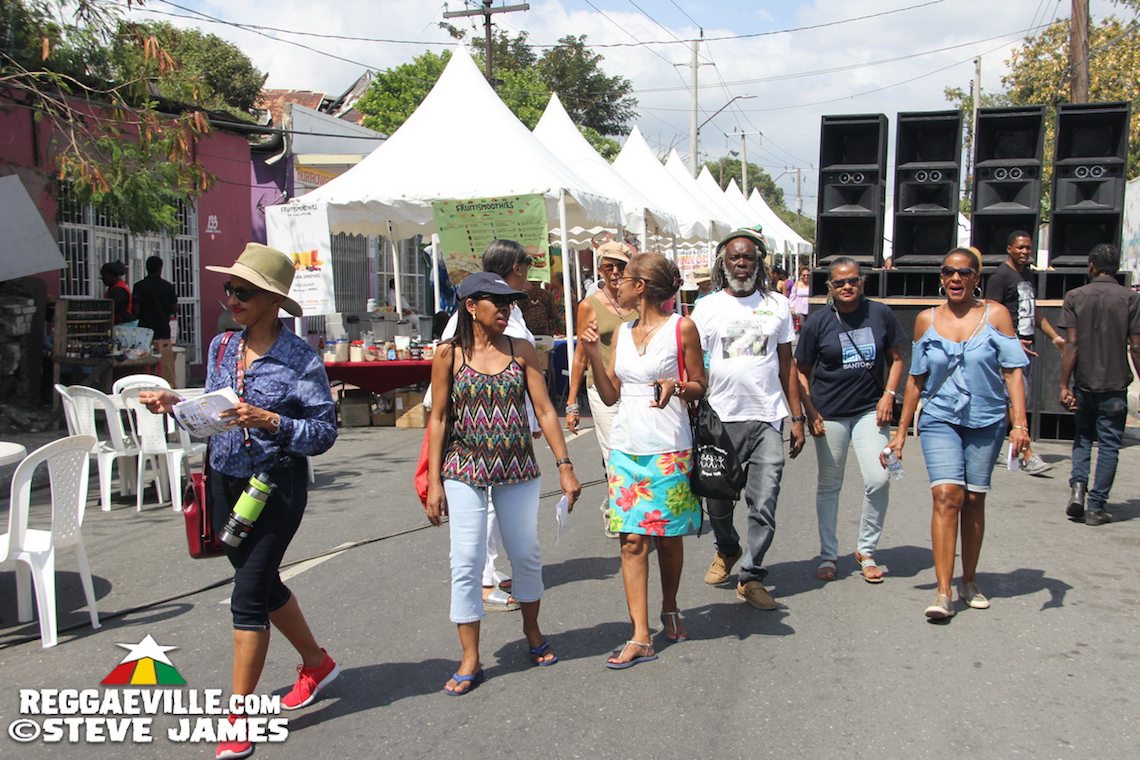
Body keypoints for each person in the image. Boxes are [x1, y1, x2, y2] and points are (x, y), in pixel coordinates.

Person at [139, 243, 339, 759]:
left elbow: (322, 432)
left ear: (273, 300)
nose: (232, 298)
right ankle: (315, 662)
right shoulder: (223, 346)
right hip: (224, 481)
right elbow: (213, 406)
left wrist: (270, 420)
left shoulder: (300, 359)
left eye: (243, 291)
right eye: (229, 289)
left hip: (275, 487)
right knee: (264, 585)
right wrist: (175, 402)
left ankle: (238, 716)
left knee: (246, 597)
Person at [425, 271, 581, 695]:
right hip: (463, 469)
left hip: (518, 468)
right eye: (498, 302)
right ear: (471, 306)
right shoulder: (448, 356)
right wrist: (435, 482)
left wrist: (564, 464)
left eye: (509, 302)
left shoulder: (521, 349)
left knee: (526, 554)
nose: (507, 309)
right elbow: (438, 418)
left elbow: (545, 410)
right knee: (466, 559)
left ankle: (532, 631)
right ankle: (471, 656)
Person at [886, 247, 1029, 620]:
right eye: (949, 272)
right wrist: (901, 432)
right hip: (939, 418)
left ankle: (970, 579)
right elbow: (916, 380)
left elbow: (1013, 372)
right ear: (941, 277)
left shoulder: (996, 315)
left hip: (987, 419)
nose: (955, 279)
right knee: (947, 496)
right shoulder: (925, 321)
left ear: (976, 278)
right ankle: (943, 591)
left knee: (974, 500)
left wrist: (1020, 424)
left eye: (964, 273)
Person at [581, 253, 706, 668]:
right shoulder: (621, 332)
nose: (615, 282)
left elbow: (701, 385)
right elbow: (611, 394)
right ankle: (640, 634)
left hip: (669, 447)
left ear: (642, 286)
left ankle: (669, 605)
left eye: (625, 277)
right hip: (626, 448)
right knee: (632, 540)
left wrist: (677, 385)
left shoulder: (681, 328)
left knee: (668, 539)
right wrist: (593, 356)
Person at [692, 228, 805, 611]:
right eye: (734, 258)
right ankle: (727, 546)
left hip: (768, 417)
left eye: (748, 258)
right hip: (720, 419)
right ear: (723, 264)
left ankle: (752, 575)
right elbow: (691, 362)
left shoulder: (777, 305)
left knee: (764, 501)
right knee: (718, 500)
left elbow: (787, 365)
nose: (741, 263)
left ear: (759, 264)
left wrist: (797, 416)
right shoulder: (706, 308)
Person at [432, 240, 537, 611]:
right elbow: (440, 409)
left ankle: (498, 581)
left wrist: (535, 422)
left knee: (523, 546)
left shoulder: (511, 320)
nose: (507, 308)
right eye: (522, 267)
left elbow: (527, 380)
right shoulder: (455, 337)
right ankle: (485, 579)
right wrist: (433, 479)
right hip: (468, 455)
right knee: (469, 546)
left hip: (513, 450)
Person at [795, 257, 905, 583]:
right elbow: (801, 371)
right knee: (830, 485)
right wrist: (810, 412)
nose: (847, 287)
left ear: (862, 282)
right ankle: (829, 554)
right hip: (829, 414)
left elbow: (897, 358)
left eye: (853, 281)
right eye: (840, 282)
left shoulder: (879, 313)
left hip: (870, 410)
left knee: (879, 477)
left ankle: (866, 550)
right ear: (829, 286)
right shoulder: (818, 322)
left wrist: (889, 394)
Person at [1058, 244, 1140, 526]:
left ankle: (1078, 488)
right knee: (1109, 445)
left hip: (1085, 383)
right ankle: (1096, 506)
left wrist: (1064, 384)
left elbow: (1072, 344)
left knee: (1082, 437)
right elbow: (1136, 347)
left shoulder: (1075, 296)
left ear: (1091, 266)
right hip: (1115, 385)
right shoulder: (1130, 299)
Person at [564, 240, 639, 537]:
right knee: (614, 452)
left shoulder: (637, 302)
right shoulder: (589, 305)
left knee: (634, 448)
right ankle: (622, 513)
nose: (615, 271)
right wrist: (572, 402)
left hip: (635, 386)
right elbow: (581, 354)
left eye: (621, 266)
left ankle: (615, 500)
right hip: (601, 388)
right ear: (599, 269)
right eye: (609, 266)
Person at [983, 230, 1066, 475]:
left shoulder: (1027, 275)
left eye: (1028, 248)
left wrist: (1055, 337)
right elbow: (990, 314)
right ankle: (1027, 454)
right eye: (1020, 247)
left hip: (1025, 346)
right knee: (1016, 397)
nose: (1025, 252)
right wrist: (1009, 342)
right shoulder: (1000, 276)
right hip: (1010, 347)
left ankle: (996, 448)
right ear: (1009, 248)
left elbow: (1033, 312)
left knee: (1012, 399)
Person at [132, 255, 178, 382]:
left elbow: (136, 310)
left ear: (146, 268)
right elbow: (174, 309)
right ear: (161, 268)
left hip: (144, 331)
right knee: (165, 363)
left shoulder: (139, 286)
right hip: (163, 329)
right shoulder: (168, 287)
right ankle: (167, 384)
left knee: (144, 361)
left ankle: (146, 384)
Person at [787, 266, 811, 333]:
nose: (806, 276)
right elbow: (792, 297)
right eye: (804, 275)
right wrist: (791, 307)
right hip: (799, 309)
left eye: (808, 275)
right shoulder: (796, 284)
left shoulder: (812, 284)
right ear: (800, 275)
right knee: (802, 327)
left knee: (810, 328)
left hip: (809, 309)